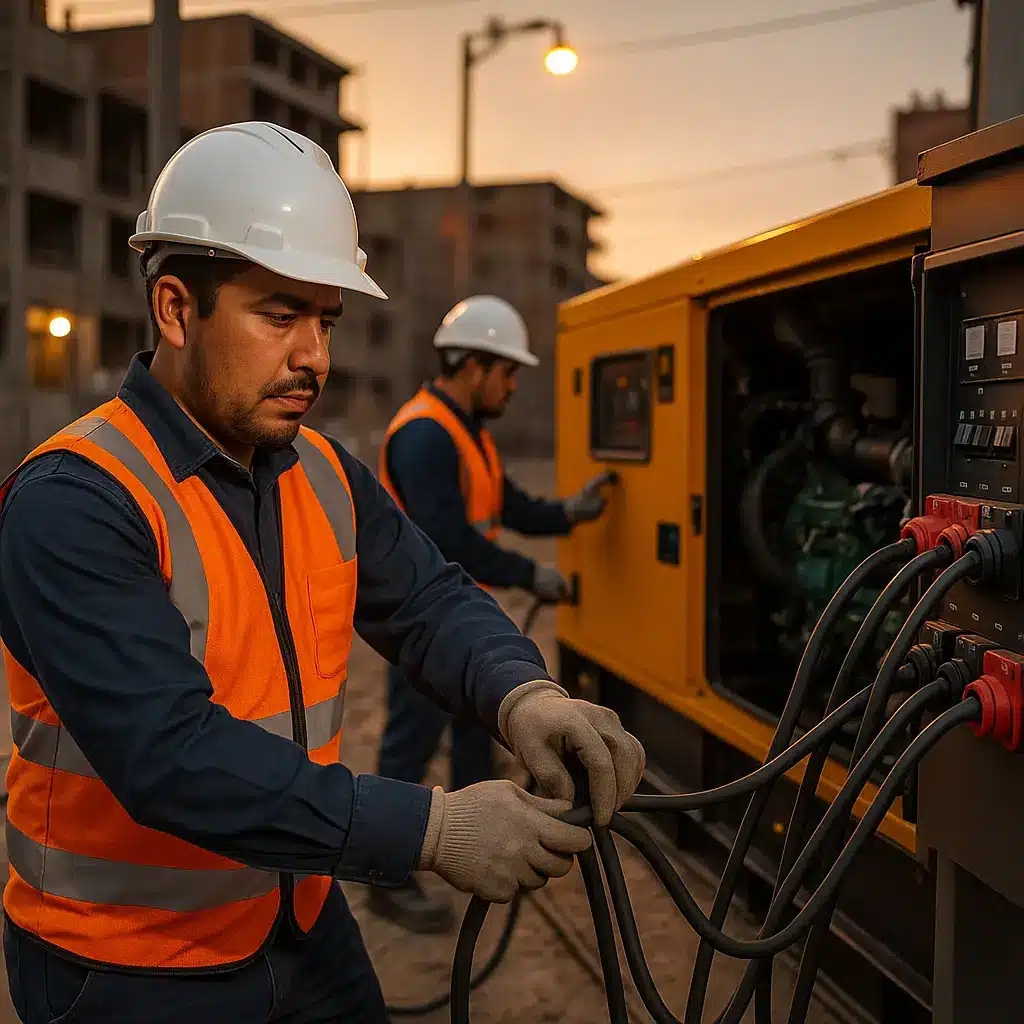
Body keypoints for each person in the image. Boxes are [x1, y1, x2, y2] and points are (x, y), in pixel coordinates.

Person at [0, 122, 645, 1024]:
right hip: (129, 961)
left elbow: (427, 597)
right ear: (177, 309)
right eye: (280, 315)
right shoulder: (74, 501)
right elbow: (170, 757)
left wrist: (523, 694)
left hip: (297, 908)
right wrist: (432, 829)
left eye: (327, 321)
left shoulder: (322, 471)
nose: (316, 357)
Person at [370, 294, 617, 933]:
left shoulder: (468, 432)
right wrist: (529, 571)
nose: (511, 387)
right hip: (419, 622)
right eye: (506, 372)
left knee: (476, 735)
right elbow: (447, 537)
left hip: (462, 619)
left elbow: (508, 505)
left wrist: (568, 513)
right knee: (409, 743)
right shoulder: (425, 434)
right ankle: (386, 881)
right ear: (474, 365)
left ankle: (496, 853)